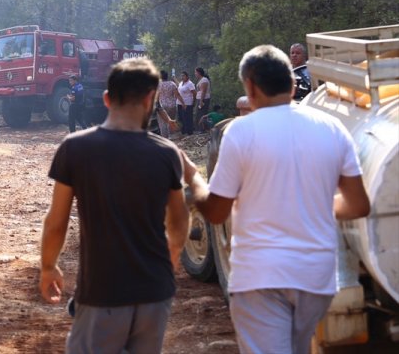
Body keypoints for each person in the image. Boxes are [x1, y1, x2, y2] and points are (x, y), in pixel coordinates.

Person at [190, 45, 370, 353]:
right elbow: (358, 205)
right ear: (293, 84)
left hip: (262, 275)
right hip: (316, 278)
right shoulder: (333, 128)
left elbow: (217, 212)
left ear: (250, 87)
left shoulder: (241, 133)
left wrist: (193, 183)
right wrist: (310, 205)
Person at [40, 58, 190, 353]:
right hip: (154, 293)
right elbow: (179, 220)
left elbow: (56, 221)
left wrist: (48, 266)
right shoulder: (167, 153)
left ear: (107, 98)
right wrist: (168, 263)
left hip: (102, 293)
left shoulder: (76, 148)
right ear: (151, 99)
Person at [156, 70, 179, 139]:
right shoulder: (172, 84)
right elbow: (177, 94)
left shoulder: (158, 85)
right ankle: (171, 136)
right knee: (171, 120)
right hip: (172, 105)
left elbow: (157, 96)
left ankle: (165, 138)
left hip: (162, 106)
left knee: (162, 122)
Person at [176, 71, 196, 135]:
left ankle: (189, 132)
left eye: (183, 76)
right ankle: (183, 131)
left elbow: (194, 93)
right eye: (181, 76)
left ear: (187, 76)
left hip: (187, 103)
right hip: (179, 103)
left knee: (187, 118)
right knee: (181, 118)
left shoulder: (190, 84)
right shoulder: (181, 83)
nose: (182, 77)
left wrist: (193, 102)